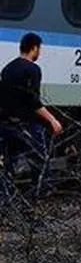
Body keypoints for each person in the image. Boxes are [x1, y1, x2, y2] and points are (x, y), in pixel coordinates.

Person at [0, 33, 62, 200]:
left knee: (8, 164)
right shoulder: (32, 69)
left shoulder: (7, 68)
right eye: (39, 49)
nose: (39, 53)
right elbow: (33, 101)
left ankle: (6, 203)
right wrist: (52, 120)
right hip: (26, 124)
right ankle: (37, 198)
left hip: (6, 124)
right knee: (39, 160)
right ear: (34, 48)